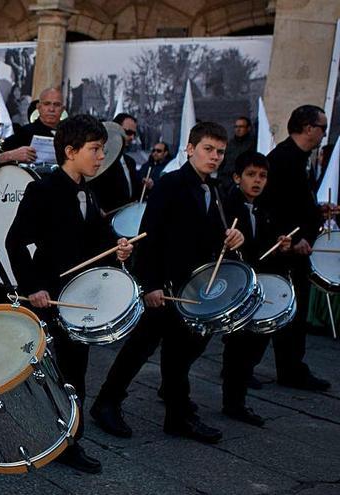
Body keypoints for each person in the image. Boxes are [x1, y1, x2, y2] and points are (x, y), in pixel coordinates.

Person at [90, 121, 244, 444]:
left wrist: (230, 237)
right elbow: (150, 236)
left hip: (189, 286)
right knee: (141, 347)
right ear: (189, 149)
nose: (214, 157)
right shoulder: (170, 184)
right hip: (166, 284)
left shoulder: (214, 190)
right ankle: (108, 403)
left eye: (220, 152)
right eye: (208, 150)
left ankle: (174, 414)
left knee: (174, 350)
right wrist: (150, 285)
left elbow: (207, 234)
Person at [6, 114, 132, 473]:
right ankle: (57, 438)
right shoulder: (42, 190)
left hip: (79, 296)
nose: (99, 157)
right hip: (52, 296)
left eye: (102, 150)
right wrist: (33, 288)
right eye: (94, 150)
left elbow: (97, 235)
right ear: (70, 151)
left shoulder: (87, 191)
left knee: (76, 370)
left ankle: (67, 438)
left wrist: (118, 247)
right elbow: (15, 242)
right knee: (52, 372)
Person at [261, 105, 331, 391]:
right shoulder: (282, 159)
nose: (324, 134)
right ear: (307, 127)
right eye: (322, 127)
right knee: (283, 308)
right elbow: (271, 206)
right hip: (285, 249)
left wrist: (319, 211)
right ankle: (282, 369)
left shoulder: (301, 158)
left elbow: (297, 203)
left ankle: (290, 367)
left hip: (298, 247)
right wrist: (293, 236)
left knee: (293, 310)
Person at [221, 151, 292, 426]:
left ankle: (237, 389)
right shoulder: (227, 206)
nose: (257, 181)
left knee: (257, 338)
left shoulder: (265, 208)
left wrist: (281, 245)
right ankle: (234, 402)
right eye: (251, 175)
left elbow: (266, 247)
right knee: (238, 345)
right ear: (237, 177)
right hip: (237, 284)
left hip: (258, 284)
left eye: (262, 176)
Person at [90, 113, 142, 213]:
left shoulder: (130, 162)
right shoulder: (101, 159)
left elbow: (135, 192)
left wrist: (146, 185)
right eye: (128, 132)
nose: (132, 137)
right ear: (115, 130)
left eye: (134, 134)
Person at [219, 116, 256, 194]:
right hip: (226, 181)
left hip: (242, 182)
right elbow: (222, 162)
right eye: (236, 127)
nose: (238, 129)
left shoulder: (253, 144)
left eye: (241, 127)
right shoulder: (229, 144)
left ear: (248, 128)